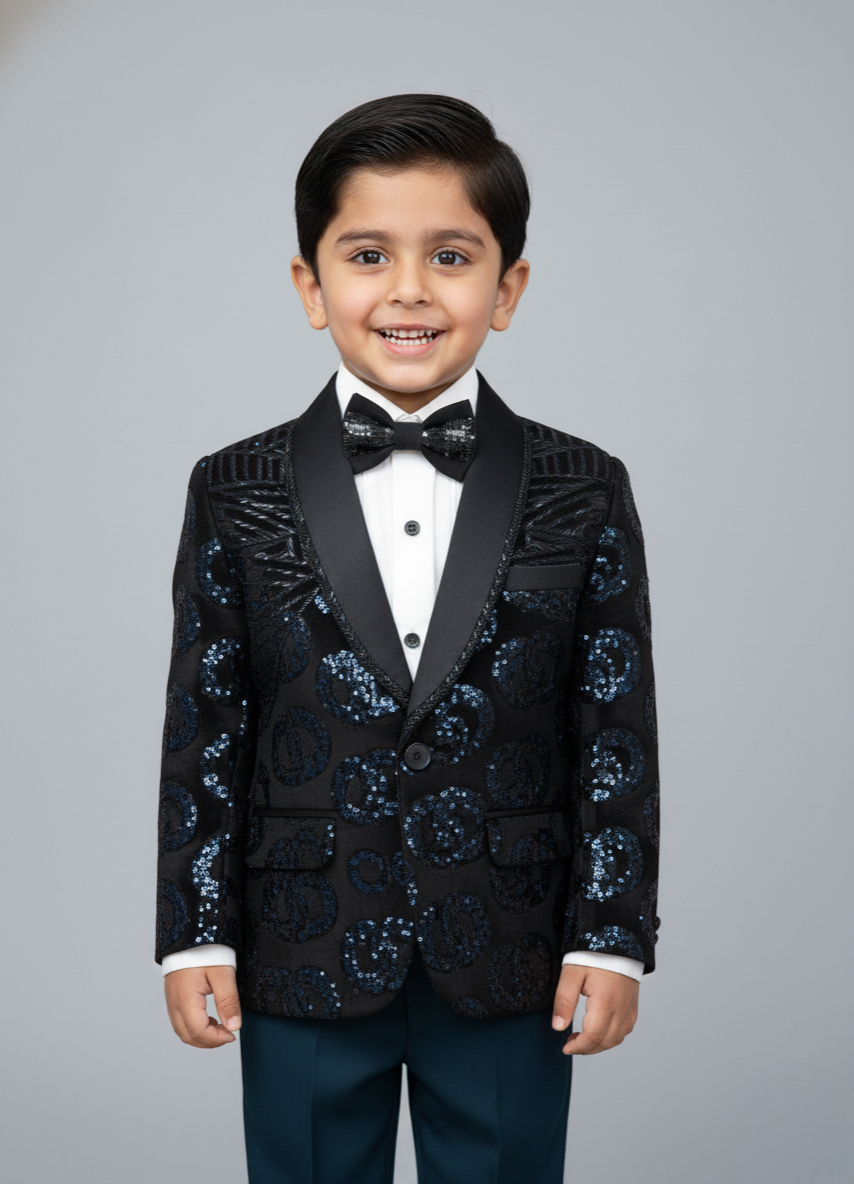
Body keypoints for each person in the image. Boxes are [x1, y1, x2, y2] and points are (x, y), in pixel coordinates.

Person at [156, 93, 660, 1184]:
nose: (409, 290)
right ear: (310, 285)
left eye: (451, 256)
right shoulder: (232, 487)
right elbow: (206, 720)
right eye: (368, 254)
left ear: (506, 288)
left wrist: (610, 935)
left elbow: (613, 725)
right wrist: (195, 930)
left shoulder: (584, 485)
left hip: (514, 950)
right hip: (298, 939)